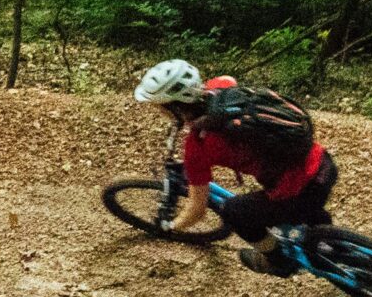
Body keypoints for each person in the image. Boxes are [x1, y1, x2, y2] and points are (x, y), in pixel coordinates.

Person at [132, 58, 338, 276]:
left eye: (160, 106)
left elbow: (197, 210)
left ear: (174, 107)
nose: (158, 111)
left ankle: (278, 261)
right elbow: (227, 79)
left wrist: (171, 226)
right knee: (308, 211)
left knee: (234, 211)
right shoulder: (223, 87)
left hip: (299, 193)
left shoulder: (198, 145)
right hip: (323, 165)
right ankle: (333, 244)